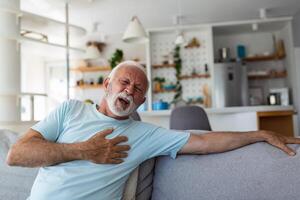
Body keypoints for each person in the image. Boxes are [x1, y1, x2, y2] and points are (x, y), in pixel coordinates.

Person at [6, 60, 300, 200]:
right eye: (123, 82)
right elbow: (17, 154)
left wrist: (259, 134)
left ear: (141, 101)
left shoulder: (144, 134)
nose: (128, 91)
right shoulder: (70, 110)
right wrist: (83, 150)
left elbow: (204, 141)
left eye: (137, 89)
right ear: (107, 84)